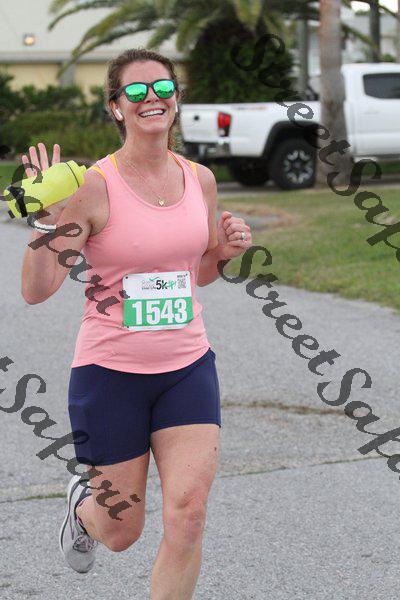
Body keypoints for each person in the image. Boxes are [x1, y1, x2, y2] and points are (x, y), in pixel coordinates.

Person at [21, 47, 252, 598]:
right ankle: (84, 509)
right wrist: (46, 219)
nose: (153, 99)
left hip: (187, 367)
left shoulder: (199, 179)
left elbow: (196, 273)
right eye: (137, 91)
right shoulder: (92, 186)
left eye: (163, 88)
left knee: (189, 513)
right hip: (110, 374)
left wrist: (223, 251)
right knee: (122, 531)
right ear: (115, 106)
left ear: (177, 98)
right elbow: (37, 289)